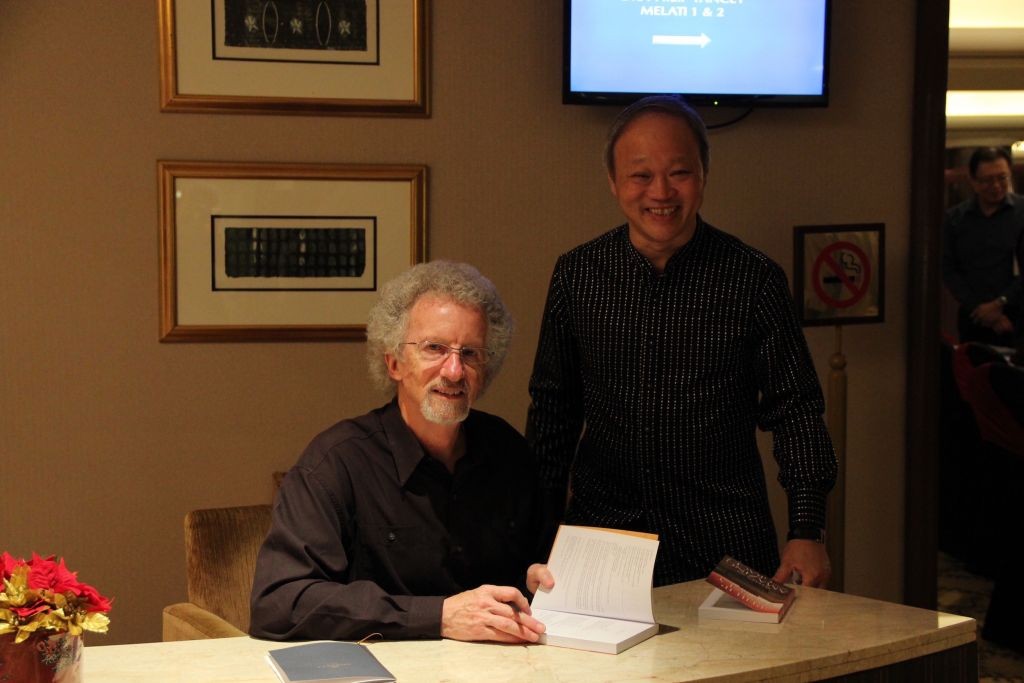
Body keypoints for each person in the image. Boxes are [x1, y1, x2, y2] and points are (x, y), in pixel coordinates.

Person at [527, 95, 837, 589]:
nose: (661, 191)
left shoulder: (754, 279)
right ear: (613, 182)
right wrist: (538, 530)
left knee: (739, 668)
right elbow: (553, 412)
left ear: (704, 176)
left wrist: (807, 528)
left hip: (728, 539)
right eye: (640, 175)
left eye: (680, 172)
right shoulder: (577, 274)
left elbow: (795, 408)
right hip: (604, 537)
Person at [250, 261, 552, 643]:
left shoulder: (509, 453)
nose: (455, 371)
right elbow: (279, 602)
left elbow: (535, 561)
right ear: (394, 362)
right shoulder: (336, 464)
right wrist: (437, 616)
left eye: (471, 353)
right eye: (435, 349)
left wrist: (536, 579)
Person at [942, 146, 1024, 346]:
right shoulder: (955, 219)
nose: (996, 186)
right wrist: (981, 309)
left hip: (1017, 317)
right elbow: (949, 269)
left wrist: (1000, 304)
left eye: (1002, 178)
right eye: (987, 180)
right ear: (973, 181)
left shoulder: (1022, 213)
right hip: (974, 318)